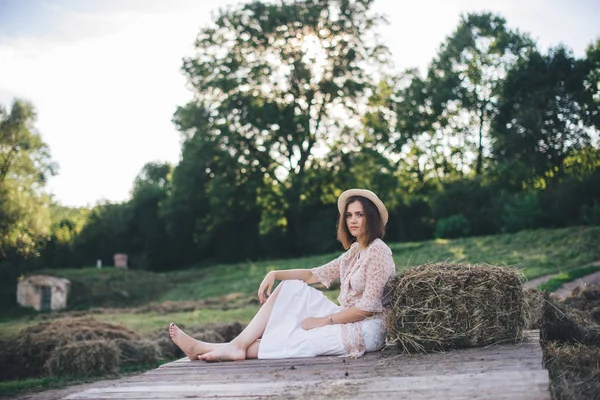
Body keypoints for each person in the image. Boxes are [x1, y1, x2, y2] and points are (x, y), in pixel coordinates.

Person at [169, 188, 396, 361]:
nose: (353, 220)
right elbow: (312, 275)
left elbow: (367, 309)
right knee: (291, 287)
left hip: (368, 330)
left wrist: (323, 321)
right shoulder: (355, 251)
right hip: (345, 316)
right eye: (349, 215)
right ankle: (235, 346)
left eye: (359, 215)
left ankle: (210, 348)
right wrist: (275, 273)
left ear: (372, 218)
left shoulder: (378, 252)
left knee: (296, 338)